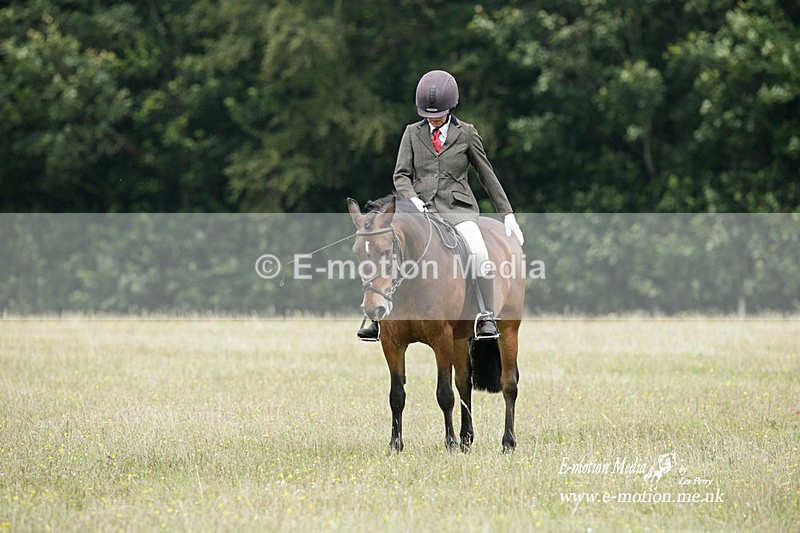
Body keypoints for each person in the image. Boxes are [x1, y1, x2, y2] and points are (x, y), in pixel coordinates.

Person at [358, 69, 524, 341]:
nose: (433, 119)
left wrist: (507, 214)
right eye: (427, 115)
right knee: (385, 250)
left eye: (438, 114)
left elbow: (487, 175)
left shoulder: (467, 133)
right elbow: (401, 175)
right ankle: (375, 320)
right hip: (420, 211)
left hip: (458, 211)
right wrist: (413, 199)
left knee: (479, 254)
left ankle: (485, 316)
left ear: (451, 107)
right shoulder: (412, 133)